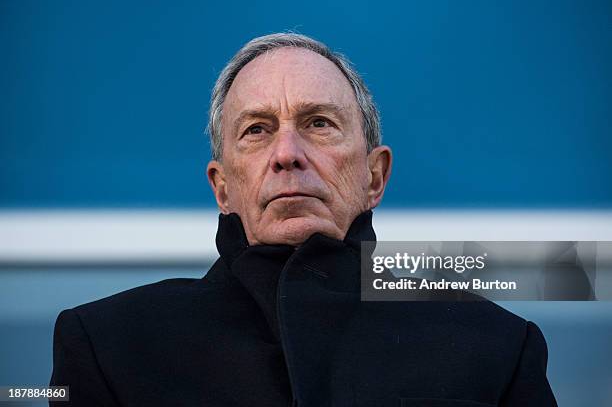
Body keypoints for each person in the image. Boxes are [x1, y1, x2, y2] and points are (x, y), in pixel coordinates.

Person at [50, 33, 557, 406]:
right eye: (256, 129)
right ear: (222, 186)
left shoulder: (496, 348)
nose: (287, 154)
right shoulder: (109, 343)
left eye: (318, 123)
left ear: (375, 177)